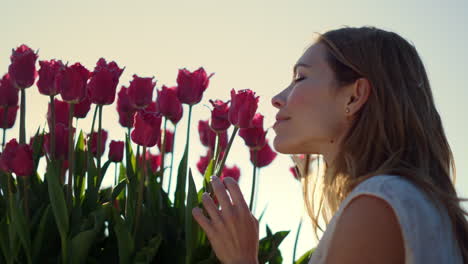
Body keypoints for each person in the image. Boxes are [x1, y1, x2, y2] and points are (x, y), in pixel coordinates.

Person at [191, 26, 468, 264]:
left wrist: (242, 260)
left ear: (354, 97)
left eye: (300, 77)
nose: (277, 98)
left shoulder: (378, 203)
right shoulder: (416, 204)